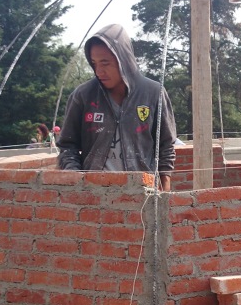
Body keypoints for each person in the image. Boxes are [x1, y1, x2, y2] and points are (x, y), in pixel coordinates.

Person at [58, 24, 177, 191]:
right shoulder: (83, 96)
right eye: (94, 63)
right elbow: (67, 145)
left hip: (141, 193)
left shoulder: (153, 93)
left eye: (105, 63)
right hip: (95, 194)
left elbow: (166, 145)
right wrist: (76, 179)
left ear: (124, 59)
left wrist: (165, 189)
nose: (99, 71)